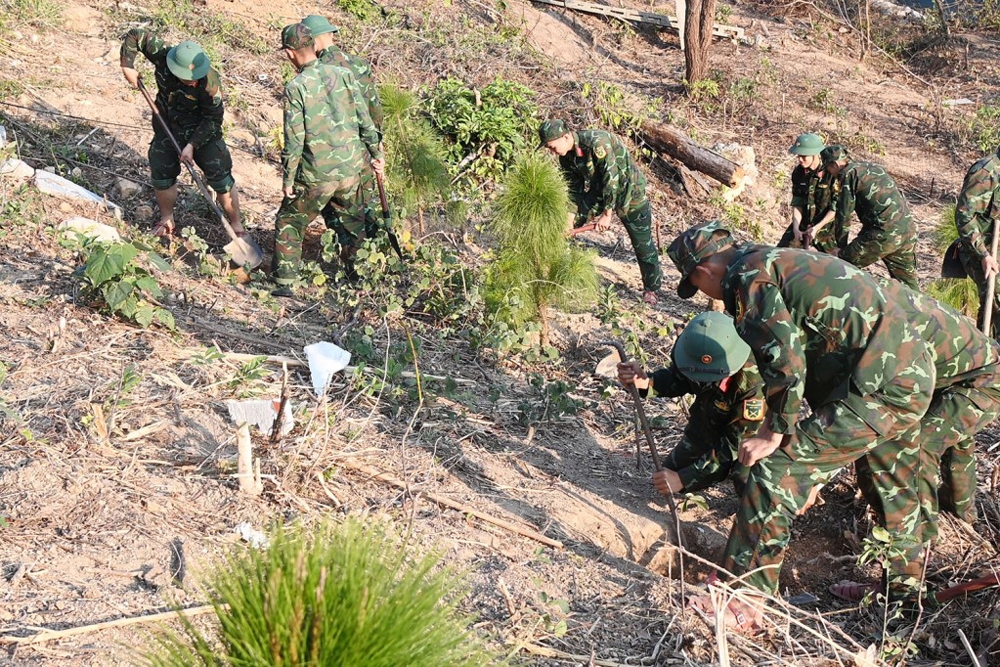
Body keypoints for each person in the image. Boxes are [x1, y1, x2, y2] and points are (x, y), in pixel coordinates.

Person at [666, 220, 935, 631]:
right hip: (897, 375)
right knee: (888, 484)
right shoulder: (769, 259)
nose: (704, 294)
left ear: (703, 271)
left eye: (695, 285)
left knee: (777, 470)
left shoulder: (747, 279)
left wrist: (774, 431)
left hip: (882, 386)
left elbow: (785, 361)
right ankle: (906, 599)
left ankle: (742, 602)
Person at [833, 280, 1000, 601]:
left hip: (984, 378)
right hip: (964, 373)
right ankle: (959, 517)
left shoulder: (868, 316)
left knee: (915, 449)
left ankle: (908, 571)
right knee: (951, 438)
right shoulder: (868, 296)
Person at [271, 23, 384, 297]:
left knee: (290, 221)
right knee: (351, 223)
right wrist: (377, 154)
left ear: (289, 53)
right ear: (313, 45)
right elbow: (365, 119)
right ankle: (357, 281)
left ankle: (285, 284)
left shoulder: (296, 87)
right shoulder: (344, 75)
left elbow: (294, 139)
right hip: (351, 169)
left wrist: (288, 179)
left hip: (316, 175)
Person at [617, 311, 765, 499]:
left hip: (753, 438)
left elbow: (734, 446)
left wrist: (683, 479)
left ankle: (758, 511)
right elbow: (678, 379)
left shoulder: (753, 382)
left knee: (746, 477)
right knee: (669, 473)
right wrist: (646, 382)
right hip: (709, 421)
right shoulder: (693, 352)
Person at [120, 29, 245, 239]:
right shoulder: (163, 55)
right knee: (162, 172)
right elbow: (135, 35)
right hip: (167, 124)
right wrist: (127, 66)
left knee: (221, 176)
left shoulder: (210, 83)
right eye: (187, 78)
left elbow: (213, 119)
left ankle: (237, 226)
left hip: (202, 131)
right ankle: (167, 219)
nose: (192, 82)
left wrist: (192, 145)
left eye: (195, 78)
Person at [539, 119, 661, 306]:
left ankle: (651, 288)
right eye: (548, 148)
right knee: (568, 223)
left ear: (565, 137)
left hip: (629, 192)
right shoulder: (566, 157)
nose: (552, 151)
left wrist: (607, 214)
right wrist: (570, 218)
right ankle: (558, 268)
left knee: (642, 243)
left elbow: (611, 179)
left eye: (552, 147)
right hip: (600, 192)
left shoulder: (597, 142)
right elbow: (574, 190)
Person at [301, 15, 385, 246]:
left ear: (312, 41)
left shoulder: (316, 72)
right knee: (365, 208)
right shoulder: (360, 65)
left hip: (335, 156)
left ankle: (354, 268)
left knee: (341, 215)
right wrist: (377, 149)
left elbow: (313, 121)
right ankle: (378, 260)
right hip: (364, 151)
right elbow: (374, 111)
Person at [821, 145, 919, 290]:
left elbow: (844, 216)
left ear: (834, 165)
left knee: (841, 266)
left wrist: (840, 248)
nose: (829, 173)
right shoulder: (873, 168)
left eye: (828, 169)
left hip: (884, 234)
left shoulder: (848, 174)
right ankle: (921, 311)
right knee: (909, 288)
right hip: (907, 230)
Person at [955, 146, 1000, 338]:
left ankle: (985, 348)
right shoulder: (986, 172)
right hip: (979, 250)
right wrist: (984, 254)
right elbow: (964, 215)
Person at [777, 133, 844, 253]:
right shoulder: (798, 173)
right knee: (780, 255)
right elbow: (797, 202)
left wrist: (816, 228)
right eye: (798, 156)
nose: (800, 160)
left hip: (827, 228)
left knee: (830, 266)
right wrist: (796, 228)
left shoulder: (831, 172)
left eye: (804, 156)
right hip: (804, 224)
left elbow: (836, 208)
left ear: (815, 155)